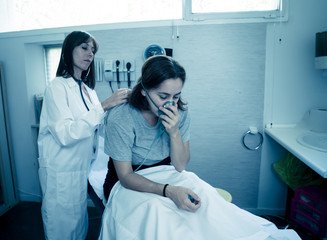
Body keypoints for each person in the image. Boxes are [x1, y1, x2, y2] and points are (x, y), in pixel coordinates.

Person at [37, 30, 129, 240]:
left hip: (81, 170)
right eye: (84, 48)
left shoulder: (89, 91)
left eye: (93, 50)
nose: (90, 54)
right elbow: (66, 134)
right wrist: (105, 105)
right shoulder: (56, 88)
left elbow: (97, 127)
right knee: (62, 229)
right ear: (69, 50)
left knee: (79, 225)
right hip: (61, 170)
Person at [103, 55, 201, 212]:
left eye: (176, 96)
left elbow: (180, 165)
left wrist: (174, 132)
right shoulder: (121, 117)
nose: (171, 103)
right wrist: (168, 191)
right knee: (154, 211)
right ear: (144, 90)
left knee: (201, 195)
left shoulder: (181, 114)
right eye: (163, 96)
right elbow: (125, 176)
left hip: (164, 173)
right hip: (128, 179)